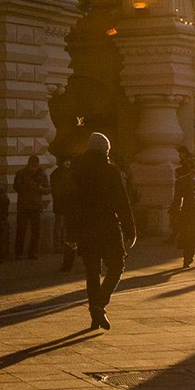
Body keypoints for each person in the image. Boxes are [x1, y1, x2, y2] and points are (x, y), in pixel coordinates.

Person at [66, 132, 137, 330]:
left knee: (92, 272)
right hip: (108, 226)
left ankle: (95, 315)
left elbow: (71, 203)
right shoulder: (111, 170)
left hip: (85, 228)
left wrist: (71, 233)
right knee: (117, 266)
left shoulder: (77, 171)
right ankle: (100, 303)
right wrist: (130, 230)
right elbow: (122, 202)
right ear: (106, 150)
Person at [13, 155, 50, 260]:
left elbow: (47, 189)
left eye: (35, 166)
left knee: (35, 232)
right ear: (28, 165)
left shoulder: (41, 174)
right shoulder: (21, 173)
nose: (34, 168)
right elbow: (16, 187)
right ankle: (18, 253)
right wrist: (27, 186)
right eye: (32, 166)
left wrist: (39, 188)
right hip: (23, 206)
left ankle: (33, 252)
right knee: (21, 230)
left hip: (35, 206)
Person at [50, 156, 77, 272]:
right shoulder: (57, 174)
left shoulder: (70, 173)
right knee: (59, 226)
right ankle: (58, 245)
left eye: (69, 161)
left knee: (66, 228)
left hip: (68, 206)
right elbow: (56, 191)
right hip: (61, 205)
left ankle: (63, 246)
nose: (68, 163)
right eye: (66, 161)